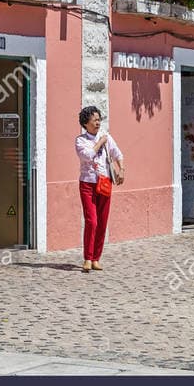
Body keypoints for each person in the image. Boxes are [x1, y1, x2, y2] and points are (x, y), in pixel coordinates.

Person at [75, 106, 124, 273]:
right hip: (87, 184)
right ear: (85, 123)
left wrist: (121, 169)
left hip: (104, 183)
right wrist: (100, 143)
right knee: (92, 221)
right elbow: (87, 156)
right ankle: (87, 258)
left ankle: (96, 258)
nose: (97, 123)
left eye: (98, 119)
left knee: (102, 222)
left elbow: (118, 154)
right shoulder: (80, 141)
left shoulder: (107, 137)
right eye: (94, 120)